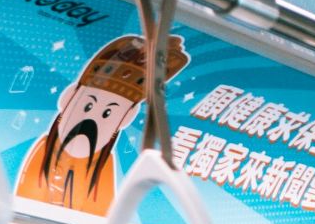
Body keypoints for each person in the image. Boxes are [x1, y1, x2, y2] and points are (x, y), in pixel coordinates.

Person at [15, 33, 189, 214]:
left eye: (108, 114)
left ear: (126, 118)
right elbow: (24, 197)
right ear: (68, 98)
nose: (90, 122)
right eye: (88, 106)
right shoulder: (45, 147)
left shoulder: (104, 163)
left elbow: (101, 211)